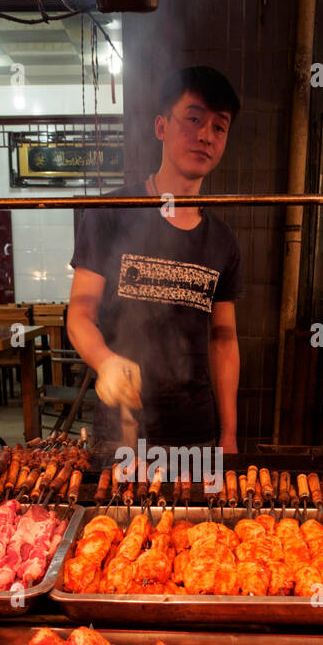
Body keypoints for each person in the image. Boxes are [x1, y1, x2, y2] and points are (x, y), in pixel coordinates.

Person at [67, 65, 242, 457]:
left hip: (197, 433)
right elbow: (79, 314)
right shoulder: (111, 213)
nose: (205, 136)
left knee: (196, 521)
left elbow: (224, 338)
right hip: (120, 431)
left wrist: (228, 433)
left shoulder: (223, 240)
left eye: (219, 127)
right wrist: (106, 361)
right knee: (112, 520)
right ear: (161, 126)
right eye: (193, 119)